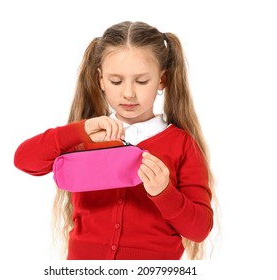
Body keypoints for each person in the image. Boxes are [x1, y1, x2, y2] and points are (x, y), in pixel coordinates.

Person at [14, 21, 215, 260]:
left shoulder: (182, 145)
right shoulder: (86, 136)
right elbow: (24, 160)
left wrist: (164, 192)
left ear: (162, 80)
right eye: (116, 81)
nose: (128, 93)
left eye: (141, 81)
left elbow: (200, 229)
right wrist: (80, 131)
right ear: (100, 80)